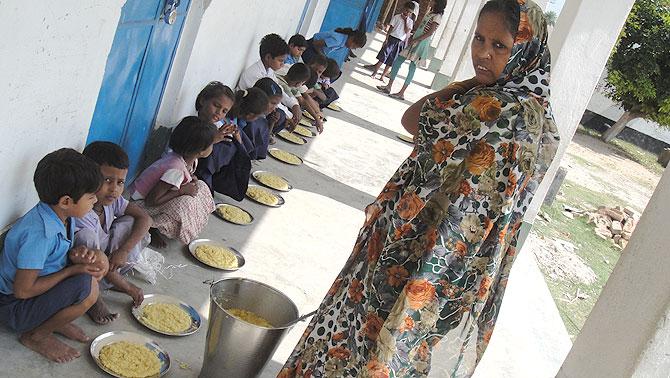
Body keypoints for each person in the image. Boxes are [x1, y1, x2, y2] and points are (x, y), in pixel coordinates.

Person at [280, 0, 560, 376]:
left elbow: (412, 119)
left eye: (499, 46)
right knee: (402, 353)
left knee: (360, 336)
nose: (482, 53)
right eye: (479, 39)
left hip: (415, 248)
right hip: (462, 270)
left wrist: (463, 87)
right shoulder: (541, 117)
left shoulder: (489, 104)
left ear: (524, 50)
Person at [0, 148, 107, 363]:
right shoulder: (41, 234)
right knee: (88, 288)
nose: (95, 200)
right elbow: (22, 290)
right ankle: (36, 335)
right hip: (14, 307)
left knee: (91, 272)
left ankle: (54, 320)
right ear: (66, 201)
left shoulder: (61, 216)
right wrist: (72, 270)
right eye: (90, 196)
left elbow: (54, 258)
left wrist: (79, 256)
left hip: (31, 297)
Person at [75, 142, 152, 324]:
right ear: (90, 177)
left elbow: (145, 218)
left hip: (110, 264)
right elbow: (93, 259)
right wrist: (129, 288)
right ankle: (94, 297)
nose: (115, 189)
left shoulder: (112, 200)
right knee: (86, 236)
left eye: (120, 182)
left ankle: (112, 280)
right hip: (87, 272)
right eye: (107, 180)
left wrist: (124, 250)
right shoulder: (81, 212)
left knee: (132, 223)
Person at [129, 117, 216, 246]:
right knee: (185, 203)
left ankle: (187, 223)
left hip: (155, 197)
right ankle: (151, 227)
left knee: (201, 186)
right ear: (201, 151)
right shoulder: (176, 169)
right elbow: (151, 200)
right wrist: (181, 191)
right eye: (211, 144)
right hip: (139, 204)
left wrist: (191, 180)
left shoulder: (186, 159)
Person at [196, 88, 267, 200]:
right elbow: (196, 152)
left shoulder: (218, 123)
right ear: (203, 100)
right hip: (200, 165)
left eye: (224, 111)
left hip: (219, 163)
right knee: (223, 149)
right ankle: (206, 186)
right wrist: (214, 139)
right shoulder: (193, 125)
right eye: (216, 105)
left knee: (237, 140)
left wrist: (236, 137)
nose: (219, 113)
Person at [377, 0, 447, 100]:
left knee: (412, 67)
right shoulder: (430, 12)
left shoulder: (437, 16)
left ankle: (402, 92)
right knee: (398, 61)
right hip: (415, 39)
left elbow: (430, 32)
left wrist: (416, 39)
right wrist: (412, 36)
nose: (430, 1)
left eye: (432, 0)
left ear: (437, 2)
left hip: (421, 43)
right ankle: (389, 86)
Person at [238, 33, 301, 131]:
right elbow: (267, 102)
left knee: (282, 113)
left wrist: (294, 105)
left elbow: (279, 91)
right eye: (280, 60)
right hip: (252, 112)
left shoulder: (269, 70)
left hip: (265, 107)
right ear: (268, 57)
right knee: (280, 115)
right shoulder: (254, 75)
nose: (282, 64)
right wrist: (288, 115)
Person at [364, 1, 418, 80]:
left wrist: (405, 20)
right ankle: (375, 72)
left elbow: (407, 31)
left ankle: (382, 76)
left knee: (391, 60)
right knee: (383, 56)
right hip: (392, 38)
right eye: (406, 11)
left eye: (410, 12)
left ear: (412, 13)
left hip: (400, 42)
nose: (407, 13)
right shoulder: (396, 17)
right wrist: (386, 38)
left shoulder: (410, 22)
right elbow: (391, 28)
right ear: (403, 9)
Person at [276, 63, 325, 133]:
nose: (301, 85)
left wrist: (316, 118)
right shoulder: (284, 86)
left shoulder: (290, 84)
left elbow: (303, 101)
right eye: (302, 83)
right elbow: (297, 101)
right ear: (298, 83)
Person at [302, 27, 367, 68]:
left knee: (335, 70)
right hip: (309, 47)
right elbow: (315, 44)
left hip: (316, 50)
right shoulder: (338, 40)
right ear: (352, 38)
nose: (353, 48)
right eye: (354, 46)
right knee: (319, 67)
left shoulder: (343, 42)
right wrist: (323, 57)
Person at [251, 77, 284, 151]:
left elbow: (266, 138)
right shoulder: (250, 118)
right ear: (261, 98)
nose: (274, 108)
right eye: (273, 103)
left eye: (276, 104)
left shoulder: (262, 117)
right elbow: (264, 142)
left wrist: (272, 123)